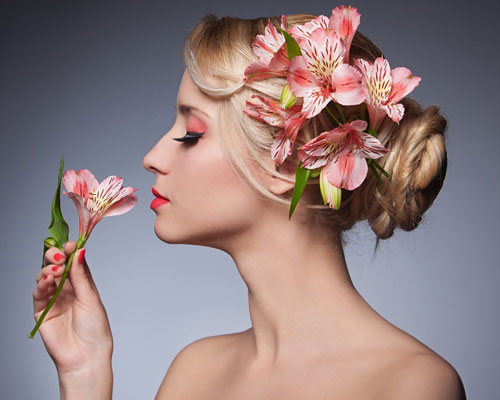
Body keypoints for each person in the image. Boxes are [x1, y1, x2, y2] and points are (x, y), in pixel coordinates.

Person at [32, 8, 466, 399]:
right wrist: (85, 374)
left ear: (288, 160)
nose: (152, 157)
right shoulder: (194, 374)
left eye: (191, 134)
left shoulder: (410, 385)